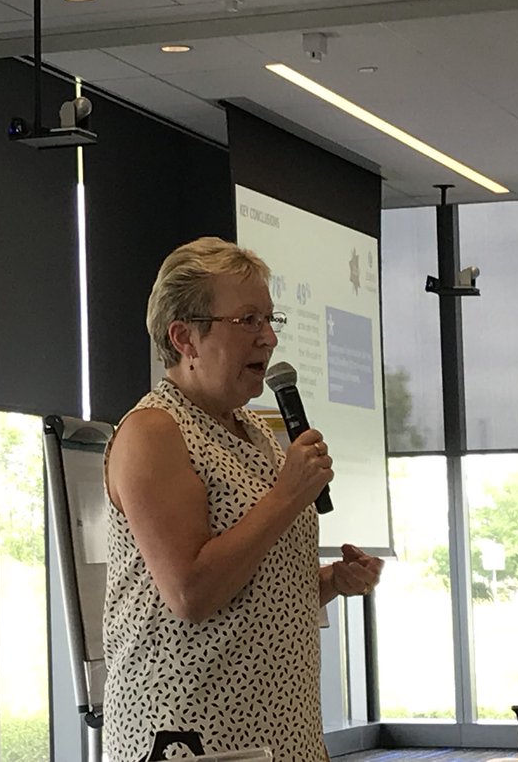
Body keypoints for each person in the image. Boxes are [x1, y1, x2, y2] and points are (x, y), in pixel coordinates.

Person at [102, 237, 383, 762]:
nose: (269, 337)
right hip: (195, 732)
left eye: (270, 319)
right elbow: (191, 592)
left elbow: (254, 583)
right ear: (185, 337)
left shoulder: (256, 431)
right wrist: (287, 496)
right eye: (248, 320)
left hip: (282, 728)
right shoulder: (153, 432)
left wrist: (330, 581)